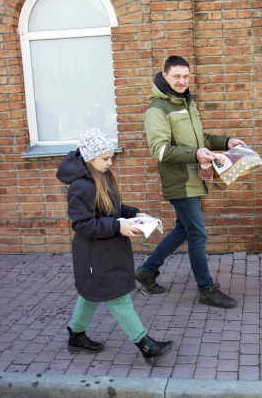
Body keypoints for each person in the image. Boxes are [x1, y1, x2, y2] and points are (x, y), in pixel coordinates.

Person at [56, 128, 174, 364]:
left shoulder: (102, 175)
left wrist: (133, 214)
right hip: (94, 255)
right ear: (90, 158)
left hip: (107, 251)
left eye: (112, 157)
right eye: (106, 158)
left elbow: (111, 208)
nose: (111, 162)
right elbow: (82, 224)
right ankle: (145, 345)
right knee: (119, 298)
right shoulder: (80, 186)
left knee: (90, 295)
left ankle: (76, 336)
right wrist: (117, 226)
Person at [136, 55, 245, 309]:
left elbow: (200, 139)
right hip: (180, 181)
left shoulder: (186, 103)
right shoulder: (157, 110)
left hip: (195, 178)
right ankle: (206, 289)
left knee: (183, 230)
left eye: (185, 76)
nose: (182, 81)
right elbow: (160, 151)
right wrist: (194, 154)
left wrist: (226, 142)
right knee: (197, 233)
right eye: (176, 76)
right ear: (165, 76)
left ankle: (147, 271)